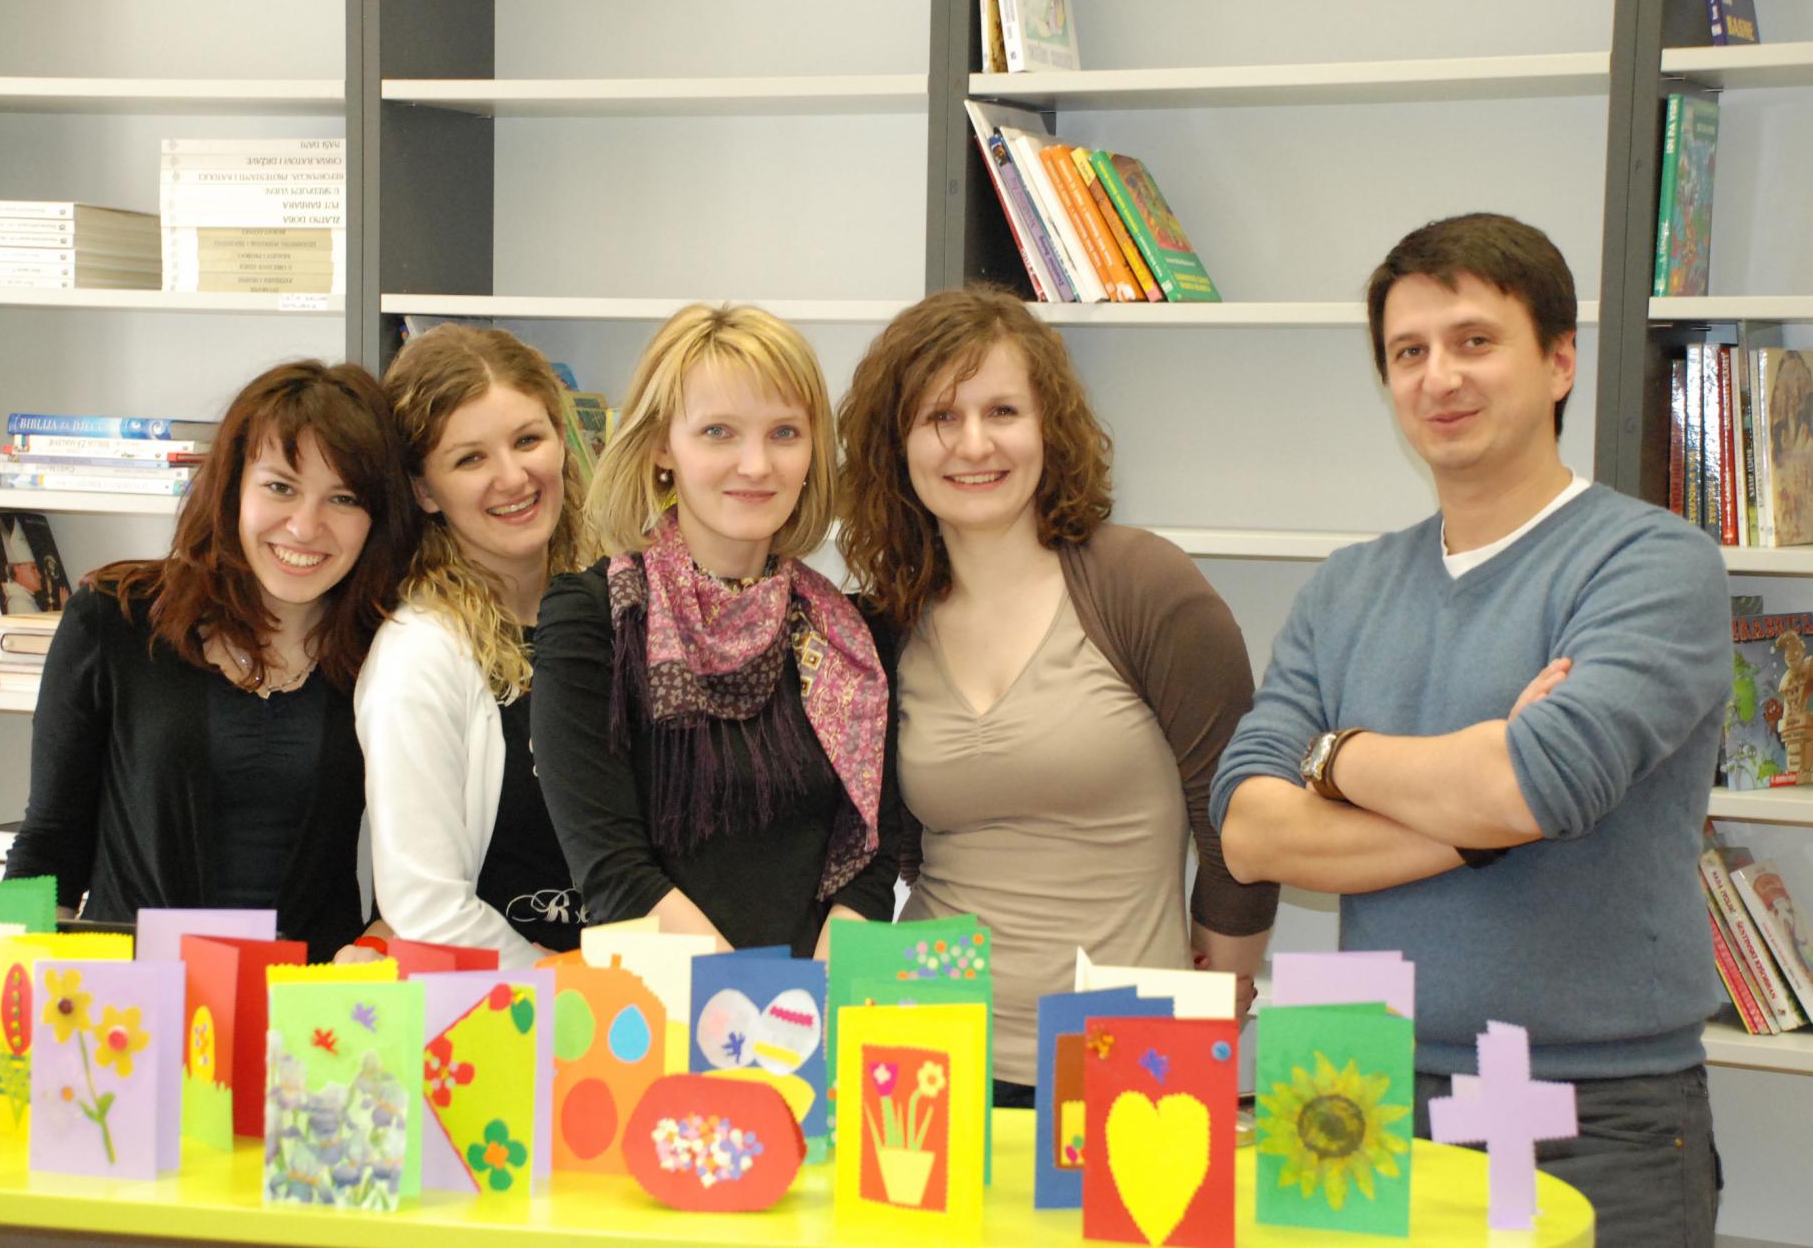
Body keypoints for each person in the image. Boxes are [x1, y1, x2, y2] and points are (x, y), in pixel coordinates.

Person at [1210, 213, 1728, 1245]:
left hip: (1593, 1115)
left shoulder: (1653, 563)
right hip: (1356, 1095)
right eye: (1408, 352)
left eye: (1474, 341)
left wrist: (1337, 758)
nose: (1438, 377)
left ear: (1560, 360)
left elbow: (1535, 783)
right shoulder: (1346, 587)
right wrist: (1488, 817)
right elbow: (1250, 829)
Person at [836, 285, 1278, 1105]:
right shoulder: (885, 624)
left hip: (1126, 1055)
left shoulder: (1144, 585)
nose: (974, 443)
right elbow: (903, 849)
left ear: (1049, 426)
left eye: (1003, 410)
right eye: (940, 416)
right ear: (897, 445)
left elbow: (1238, 823)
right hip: (923, 1050)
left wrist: (1222, 991)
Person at [4, 361, 418, 961]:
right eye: (280, 487)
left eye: (344, 498)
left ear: (377, 518)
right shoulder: (114, 619)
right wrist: (19, 987)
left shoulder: (394, 649)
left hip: (314, 1004)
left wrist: (375, 950)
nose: (306, 527)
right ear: (232, 488)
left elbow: (412, 878)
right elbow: (49, 846)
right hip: (129, 1000)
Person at [532, 303, 900, 958]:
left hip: (825, 1000)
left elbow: (872, 855)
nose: (756, 464)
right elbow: (612, 871)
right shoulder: (592, 618)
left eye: (784, 432)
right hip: (657, 1006)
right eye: (718, 432)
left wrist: (814, 998)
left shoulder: (851, 635)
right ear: (661, 448)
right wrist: (751, 1003)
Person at [355, 324, 591, 968]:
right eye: (470, 459)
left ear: (561, 442)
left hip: (632, 999)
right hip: (498, 1010)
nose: (513, 477)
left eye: (528, 440)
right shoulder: (418, 657)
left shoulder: (607, 608)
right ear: (424, 491)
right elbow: (426, 908)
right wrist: (565, 992)